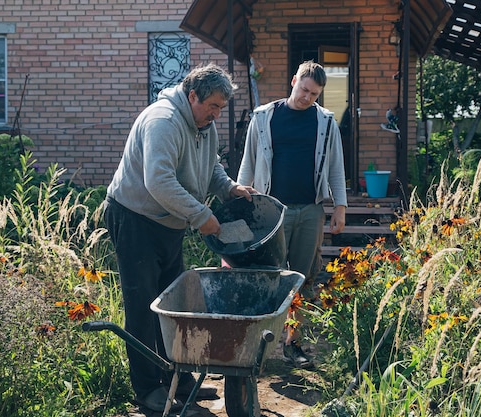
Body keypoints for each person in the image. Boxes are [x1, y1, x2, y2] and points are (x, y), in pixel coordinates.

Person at [104, 63, 256, 412]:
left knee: (172, 304)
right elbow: (159, 182)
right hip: (135, 217)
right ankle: (148, 391)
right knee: (144, 307)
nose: (216, 114)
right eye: (212, 106)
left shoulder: (203, 124)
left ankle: (178, 378)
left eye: (221, 108)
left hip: (167, 221)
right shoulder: (163, 121)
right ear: (192, 96)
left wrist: (229, 188)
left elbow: (211, 166)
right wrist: (203, 216)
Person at [237, 60, 347, 368]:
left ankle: (292, 343)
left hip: (310, 210)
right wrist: (243, 203)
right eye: (304, 90)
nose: (307, 98)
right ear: (293, 80)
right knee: (267, 276)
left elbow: (336, 167)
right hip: (271, 213)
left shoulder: (325, 122)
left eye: (314, 94)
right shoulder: (263, 118)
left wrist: (340, 206)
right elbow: (248, 163)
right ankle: (256, 346)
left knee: (302, 279)